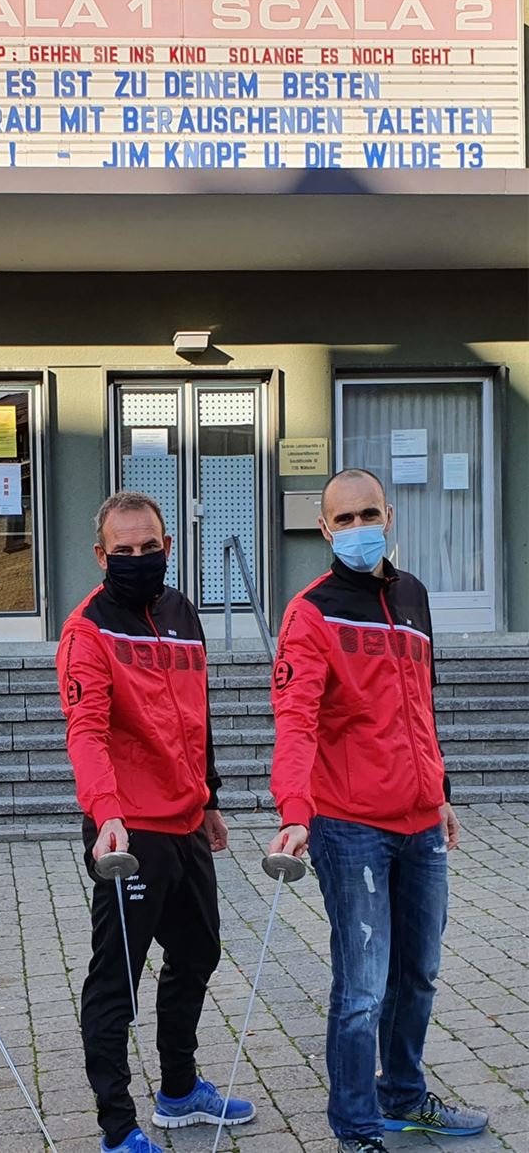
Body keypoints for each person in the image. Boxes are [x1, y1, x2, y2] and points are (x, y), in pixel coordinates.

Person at [267, 468, 489, 1153]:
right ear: (326, 528)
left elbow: (421, 706)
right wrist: (296, 811)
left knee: (417, 972)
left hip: (420, 822)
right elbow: (296, 720)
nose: (361, 527)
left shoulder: (414, 596)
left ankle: (401, 1099)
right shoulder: (311, 612)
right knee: (362, 986)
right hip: (348, 825)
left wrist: (440, 792)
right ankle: (356, 1128)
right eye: (346, 518)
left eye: (371, 513)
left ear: (389, 514)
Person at [57, 491, 255, 1153]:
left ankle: (178, 1091)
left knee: (198, 951)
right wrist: (106, 815)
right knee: (118, 976)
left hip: (185, 819)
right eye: (124, 551)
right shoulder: (87, 629)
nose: (138, 559)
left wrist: (212, 798)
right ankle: (118, 1127)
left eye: (149, 548)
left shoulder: (181, 612)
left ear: (168, 547)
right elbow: (85, 732)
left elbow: (197, 714)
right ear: (101, 555)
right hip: (127, 832)